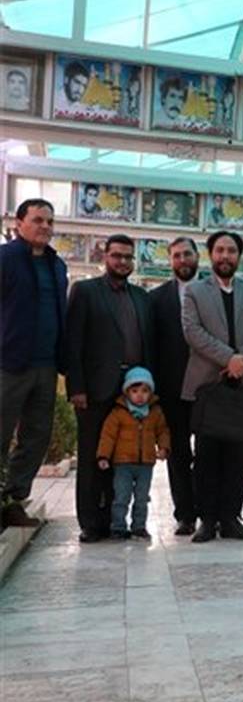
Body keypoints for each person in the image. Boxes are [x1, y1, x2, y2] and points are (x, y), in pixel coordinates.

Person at [181, 231, 243, 543]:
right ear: (210, 255)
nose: (225, 256)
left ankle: (231, 519)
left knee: (237, 456)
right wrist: (228, 358)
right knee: (206, 456)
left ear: (239, 256)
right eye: (219, 250)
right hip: (209, 384)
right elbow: (192, 332)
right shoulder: (194, 291)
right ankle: (207, 520)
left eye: (231, 251)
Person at [65, 234, 154, 543]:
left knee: (123, 458)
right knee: (93, 456)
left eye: (128, 257)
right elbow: (73, 342)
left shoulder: (141, 297)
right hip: (95, 389)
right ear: (105, 257)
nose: (123, 262)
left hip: (133, 390)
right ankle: (92, 523)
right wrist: (76, 387)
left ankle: (119, 522)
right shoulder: (85, 291)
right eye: (117, 255)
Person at [0, 199, 68, 529]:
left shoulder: (57, 265)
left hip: (46, 365)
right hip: (8, 364)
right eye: (38, 220)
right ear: (19, 223)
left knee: (36, 437)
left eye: (50, 221)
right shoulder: (5, 258)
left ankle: (14, 500)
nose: (45, 226)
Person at [148, 236, 200, 535]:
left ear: (197, 257)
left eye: (187, 254)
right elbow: (151, 345)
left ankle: (211, 511)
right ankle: (185, 515)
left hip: (208, 388)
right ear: (170, 260)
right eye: (177, 255)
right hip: (171, 389)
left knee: (208, 453)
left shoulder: (213, 292)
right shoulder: (156, 299)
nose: (183, 260)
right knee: (178, 453)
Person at [97, 367, 169, 541]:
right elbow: (108, 435)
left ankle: (139, 527)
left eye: (144, 391)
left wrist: (163, 448)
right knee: (121, 496)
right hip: (123, 463)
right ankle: (118, 527)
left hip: (146, 464)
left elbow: (163, 431)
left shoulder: (155, 412)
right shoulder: (119, 413)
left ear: (150, 392)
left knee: (142, 498)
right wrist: (103, 456)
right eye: (135, 391)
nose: (140, 395)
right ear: (127, 392)